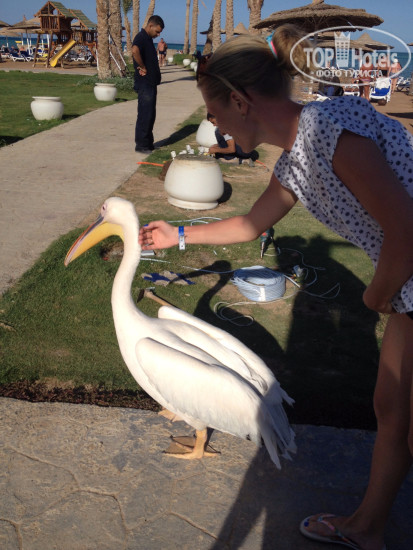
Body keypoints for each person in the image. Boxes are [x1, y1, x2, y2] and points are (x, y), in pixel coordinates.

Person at [140, 24, 413, 550]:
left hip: (404, 278)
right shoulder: (296, 159)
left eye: (213, 112)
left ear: (240, 102)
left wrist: (376, 297)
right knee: (392, 411)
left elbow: (406, 228)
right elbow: (249, 225)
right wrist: (177, 234)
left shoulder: (329, 128)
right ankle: (368, 528)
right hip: (407, 286)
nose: (213, 125)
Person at [132, 15, 165, 154]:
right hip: (144, 83)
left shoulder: (148, 39)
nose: (158, 35)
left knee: (150, 114)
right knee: (145, 114)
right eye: (157, 31)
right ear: (150, 26)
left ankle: (148, 143)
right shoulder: (141, 37)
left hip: (150, 83)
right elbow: (134, 50)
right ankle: (141, 145)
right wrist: (142, 66)